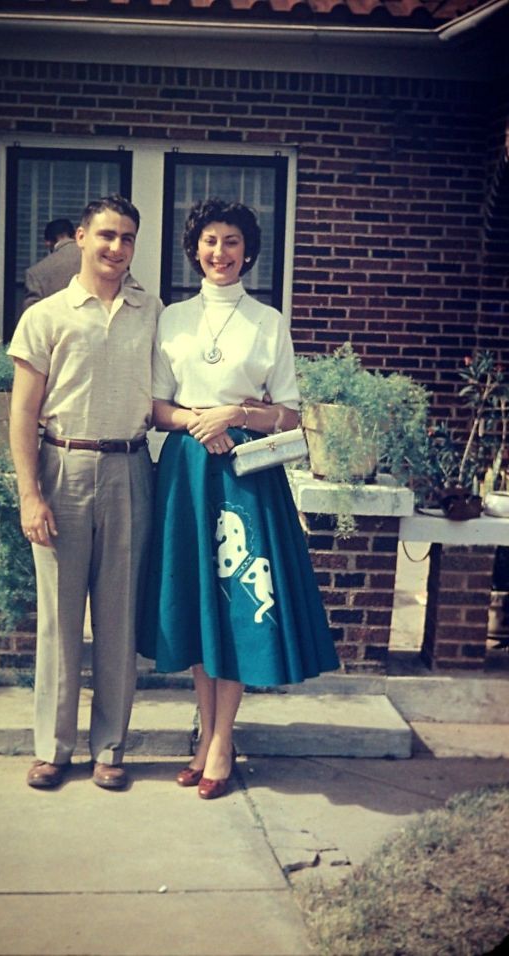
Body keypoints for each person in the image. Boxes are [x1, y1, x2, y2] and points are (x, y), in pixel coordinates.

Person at [138, 198, 339, 800]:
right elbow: (155, 404)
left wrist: (238, 413)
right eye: (209, 241)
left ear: (247, 251)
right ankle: (204, 736)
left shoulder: (268, 322)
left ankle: (223, 738)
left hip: (248, 476)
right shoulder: (171, 319)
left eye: (230, 242)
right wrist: (201, 421)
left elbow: (292, 413)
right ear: (193, 249)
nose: (219, 252)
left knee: (239, 602)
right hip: (189, 473)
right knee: (200, 602)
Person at [8, 195, 162, 791]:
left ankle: (111, 748)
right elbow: (23, 413)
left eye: (127, 237)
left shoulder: (152, 312)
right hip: (62, 468)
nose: (116, 247)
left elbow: (164, 395)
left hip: (129, 469)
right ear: (80, 238)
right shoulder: (46, 315)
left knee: (119, 619)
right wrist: (30, 494)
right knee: (59, 619)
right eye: (105, 235)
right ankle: (53, 747)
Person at [22, 218, 80, 310]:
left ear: (48, 243)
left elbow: (31, 317)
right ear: (75, 235)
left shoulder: (36, 273)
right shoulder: (95, 260)